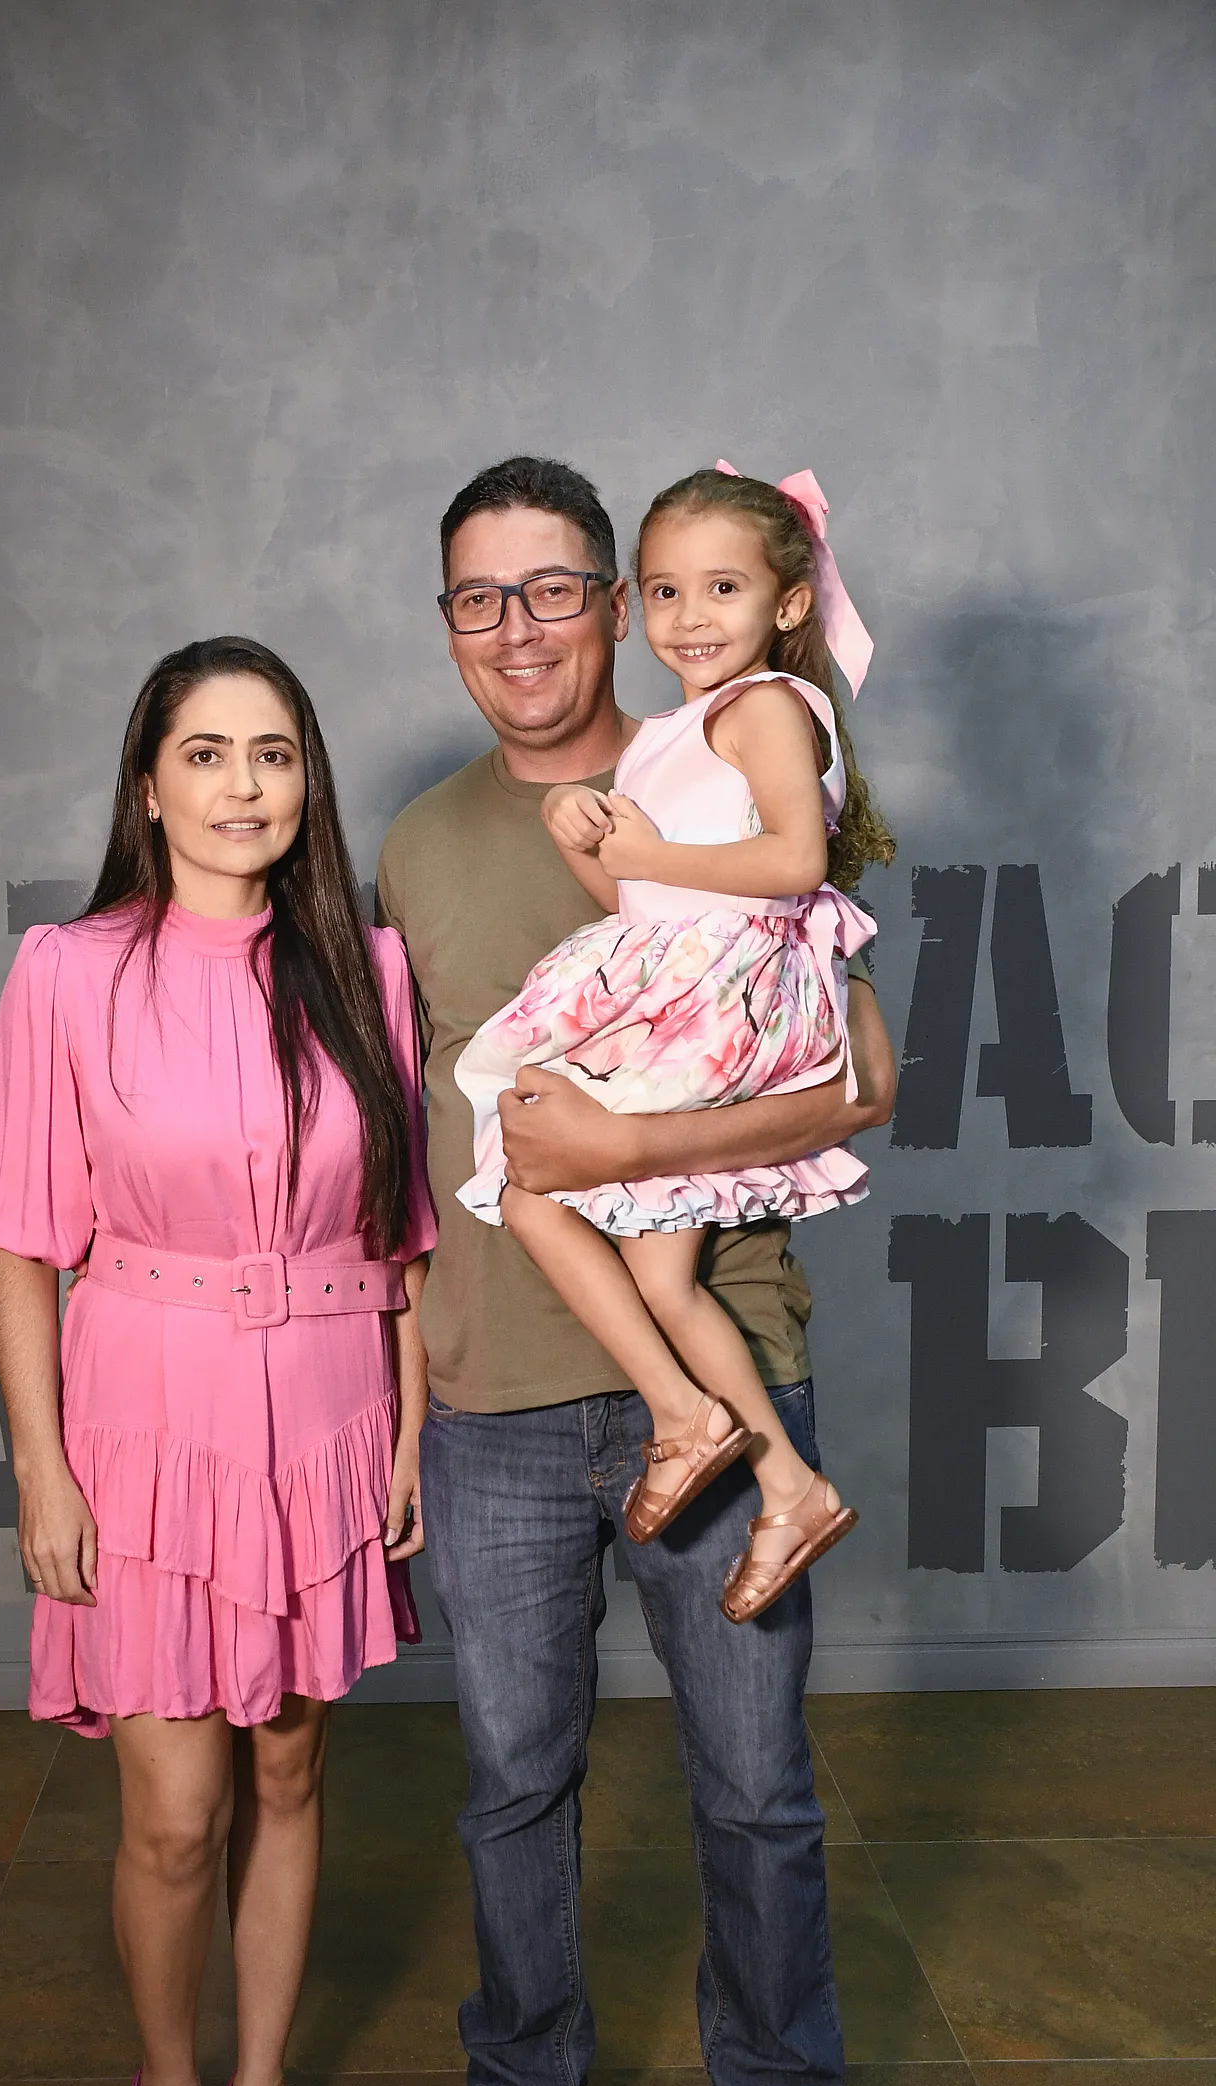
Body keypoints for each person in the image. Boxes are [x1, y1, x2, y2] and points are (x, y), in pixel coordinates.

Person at [378, 458, 894, 2086]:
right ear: (450, 626)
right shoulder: (417, 844)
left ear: (618, 600)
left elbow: (859, 1079)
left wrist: (617, 1151)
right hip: (498, 1396)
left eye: (554, 589)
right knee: (513, 1784)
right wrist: (396, 1400)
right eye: (478, 597)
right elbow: (402, 1135)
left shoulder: (728, 759)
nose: (518, 628)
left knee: (753, 1787)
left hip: (723, 1348)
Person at [0, 636, 435, 2086]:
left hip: (328, 1422)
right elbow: (22, 1242)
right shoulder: (66, 971)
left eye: (275, 754)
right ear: (148, 786)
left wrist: (406, 1433)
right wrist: (41, 1471)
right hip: (146, 1430)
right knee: (173, 1815)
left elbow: (402, 1235)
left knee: (290, 1772)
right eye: (209, 753)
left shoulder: (367, 971)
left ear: (309, 785)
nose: (245, 786)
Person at [452, 465, 891, 1619]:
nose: (689, 616)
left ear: (785, 604)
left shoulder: (764, 707)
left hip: (729, 999)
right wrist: (580, 831)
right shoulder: (668, 735)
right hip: (680, 980)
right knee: (657, 1273)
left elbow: (793, 860)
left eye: (721, 588)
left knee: (531, 1184)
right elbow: (633, 898)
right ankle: (787, 1486)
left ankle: (686, 1416)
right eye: (663, 591)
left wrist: (642, 852)